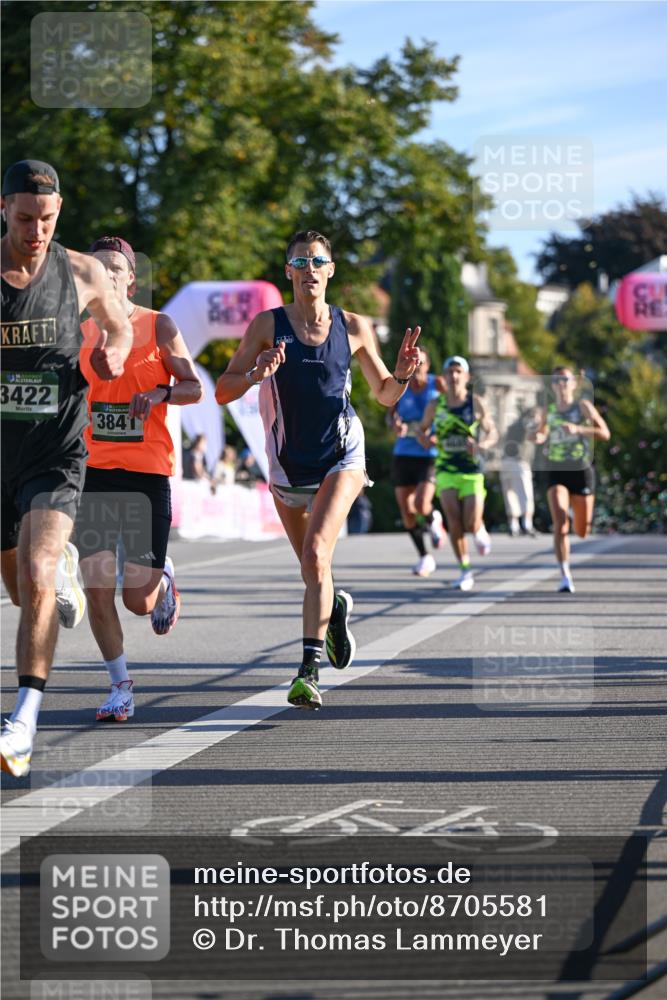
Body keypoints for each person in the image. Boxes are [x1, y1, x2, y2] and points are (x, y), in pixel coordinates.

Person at [215, 229, 421, 710]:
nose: (310, 269)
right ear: (287, 272)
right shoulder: (266, 325)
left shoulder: (354, 326)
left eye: (318, 261)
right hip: (288, 463)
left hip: (341, 453)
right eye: (300, 262)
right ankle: (337, 608)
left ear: (331, 270)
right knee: (316, 570)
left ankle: (308, 671)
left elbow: (385, 394)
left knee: (314, 555)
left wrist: (405, 373)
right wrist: (255, 374)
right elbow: (224, 389)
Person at [0, 160, 132, 777]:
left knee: (34, 572)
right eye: (25, 219)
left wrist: (112, 352)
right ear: (3, 209)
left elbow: (121, 326)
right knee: (24, 593)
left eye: (47, 220)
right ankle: (63, 575)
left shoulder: (81, 270)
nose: (36, 232)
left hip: (56, 448)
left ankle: (23, 721)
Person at [76, 235, 203, 722]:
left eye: (116, 267)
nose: (107, 274)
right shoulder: (80, 332)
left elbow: (193, 386)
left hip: (148, 475)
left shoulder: (159, 326)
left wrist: (161, 395)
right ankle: (120, 685)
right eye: (98, 267)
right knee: (96, 587)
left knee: (136, 600)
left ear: (132, 278)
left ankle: (163, 581)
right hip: (96, 474)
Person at [419, 356, 497, 592]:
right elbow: (422, 431)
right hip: (445, 469)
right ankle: (465, 570)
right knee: (453, 521)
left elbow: (492, 432)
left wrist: (482, 445)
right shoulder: (436, 404)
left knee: (470, 523)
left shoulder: (476, 403)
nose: (453, 377)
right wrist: (424, 439)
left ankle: (479, 528)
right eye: (449, 372)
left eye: (458, 372)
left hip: (471, 471)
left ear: (467, 377)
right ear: (444, 377)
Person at [532, 366, 610, 593]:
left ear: (573, 384)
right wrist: (537, 436)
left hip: (581, 470)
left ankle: (576, 515)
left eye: (565, 379)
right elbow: (541, 433)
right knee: (559, 522)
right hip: (555, 469)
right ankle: (565, 573)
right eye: (556, 380)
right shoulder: (549, 409)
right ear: (552, 385)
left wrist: (579, 429)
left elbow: (605, 433)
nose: (561, 384)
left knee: (582, 530)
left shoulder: (583, 407)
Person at [388, 346, 445, 577]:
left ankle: (433, 517)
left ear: (428, 365)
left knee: (422, 503)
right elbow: (390, 413)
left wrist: (437, 435)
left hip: (428, 455)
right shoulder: (400, 384)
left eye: (420, 363)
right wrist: (395, 425)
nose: (416, 367)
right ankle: (425, 557)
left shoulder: (438, 384)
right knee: (407, 510)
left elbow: (453, 411)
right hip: (403, 453)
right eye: (413, 363)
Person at [500, 407, 538, 537]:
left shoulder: (512, 425)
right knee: (525, 493)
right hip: (519, 461)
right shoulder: (527, 423)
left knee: (510, 493)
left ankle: (513, 525)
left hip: (505, 461)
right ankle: (527, 524)